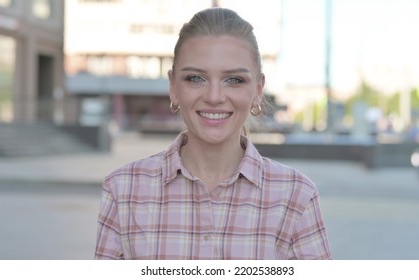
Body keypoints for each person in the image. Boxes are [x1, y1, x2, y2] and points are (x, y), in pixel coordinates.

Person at [95, 7, 332, 260]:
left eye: (234, 80)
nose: (214, 97)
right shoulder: (123, 189)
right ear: (173, 87)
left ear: (258, 90)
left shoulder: (296, 196)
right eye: (196, 78)